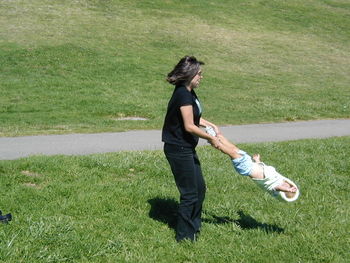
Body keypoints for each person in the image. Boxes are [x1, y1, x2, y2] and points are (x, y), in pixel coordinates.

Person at [162, 56, 220, 242]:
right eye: (199, 74)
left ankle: (194, 227)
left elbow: (194, 117)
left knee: (200, 188)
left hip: (185, 147)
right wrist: (211, 138)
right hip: (178, 148)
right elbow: (189, 126)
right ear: (190, 75)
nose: (201, 77)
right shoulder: (183, 94)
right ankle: (185, 237)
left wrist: (209, 124)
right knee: (189, 193)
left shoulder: (189, 92)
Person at [209, 131, 299, 202]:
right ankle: (217, 135)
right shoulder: (277, 177)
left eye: (286, 189)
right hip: (250, 162)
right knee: (233, 148)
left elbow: (279, 188)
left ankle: (214, 141)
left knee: (232, 152)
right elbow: (264, 169)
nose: (286, 186)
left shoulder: (273, 188)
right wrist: (258, 161)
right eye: (288, 185)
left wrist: (287, 189)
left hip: (246, 168)